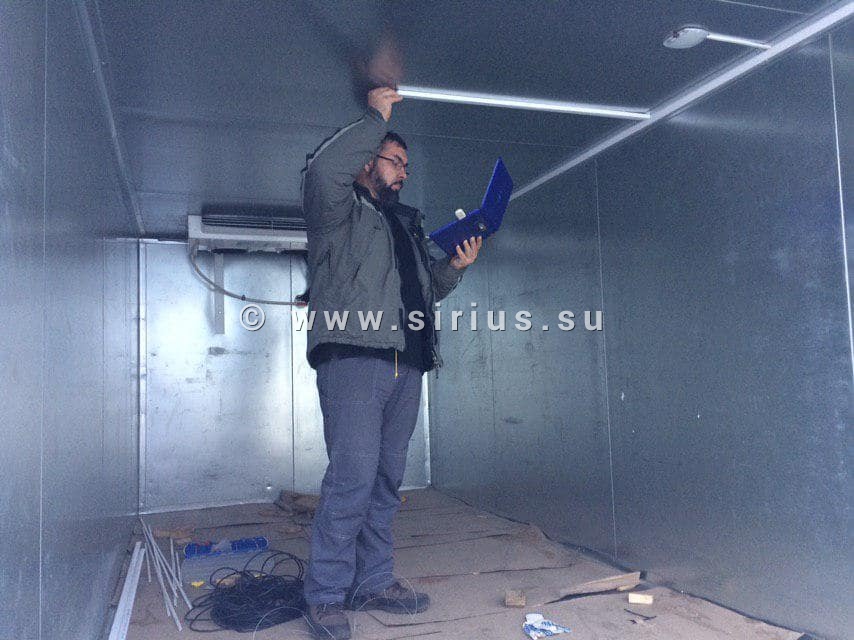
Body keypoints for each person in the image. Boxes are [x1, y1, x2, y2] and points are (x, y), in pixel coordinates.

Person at [299, 86, 482, 639]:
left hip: (408, 363)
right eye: (395, 160)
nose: (403, 172)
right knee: (352, 478)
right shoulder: (337, 213)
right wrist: (375, 118)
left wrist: (454, 269)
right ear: (367, 160)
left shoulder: (404, 226)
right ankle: (326, 595)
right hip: (355, 357)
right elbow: (323, 169)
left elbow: (422, 294)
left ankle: (373, 580)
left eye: (406, 165)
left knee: (385, 480)